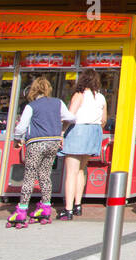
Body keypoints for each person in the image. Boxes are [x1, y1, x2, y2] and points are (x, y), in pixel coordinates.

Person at [7, 77, 69, 227]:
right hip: (53, 142)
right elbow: (70, 117)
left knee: (29, 175)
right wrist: (61, 132)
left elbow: (22, 127)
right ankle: (46, 207)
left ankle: (22, 210)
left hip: (36, 143)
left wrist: (17, 139)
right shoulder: (58, 103)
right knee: (45, 175)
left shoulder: (31, 106)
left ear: (33, 90)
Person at [59, 69, 106, 220]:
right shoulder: (101, 97)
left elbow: (70, 116)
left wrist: (61, 132)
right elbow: (104, 119)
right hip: (94, 132)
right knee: (81, 170)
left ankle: (68, 209)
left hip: (78, 131)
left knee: (71, 172)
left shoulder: (79, 95)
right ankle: (78, 204)